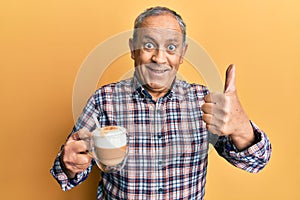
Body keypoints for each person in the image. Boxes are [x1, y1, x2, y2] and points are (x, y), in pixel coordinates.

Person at [51, 6, 271, 199]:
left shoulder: (204, 102)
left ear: (182, 54)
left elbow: (256, 162)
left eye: (171, 48)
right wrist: (68, 164)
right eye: (148, 45)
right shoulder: (104, 100)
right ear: (132, 49)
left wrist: (242, 129)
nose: (159, 58)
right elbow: (67, 172)